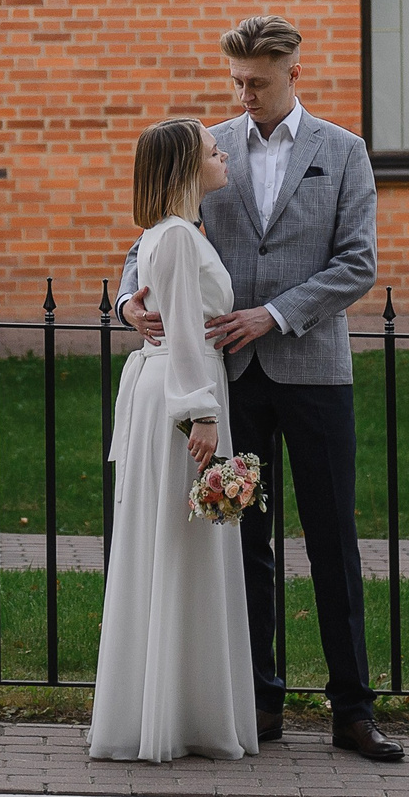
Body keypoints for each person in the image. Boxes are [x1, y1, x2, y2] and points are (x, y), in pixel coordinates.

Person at [118, 15, 402, 762]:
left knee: (333, 539)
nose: (243, 95)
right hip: (226, 381)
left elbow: (356, 264)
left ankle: (353, 711)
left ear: (293, 74)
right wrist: (130, 302)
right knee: (240, 542)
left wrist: (272, 316)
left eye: (257, 82)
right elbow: (150, 237)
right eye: (235, 81)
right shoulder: (207, 146)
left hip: (313, 372)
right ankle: (258, 701)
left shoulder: (343, 152)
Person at [88, 117, 259, 763]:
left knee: (173, 549)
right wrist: (203, 414)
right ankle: (187, 712)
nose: (225, 158)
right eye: (215, 153)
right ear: (189, 169)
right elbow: (186, 330)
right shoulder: (180, 241)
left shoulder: (164, 235)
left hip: (167, 394)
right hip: (183, 401)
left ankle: (168, 704)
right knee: (185, 550)